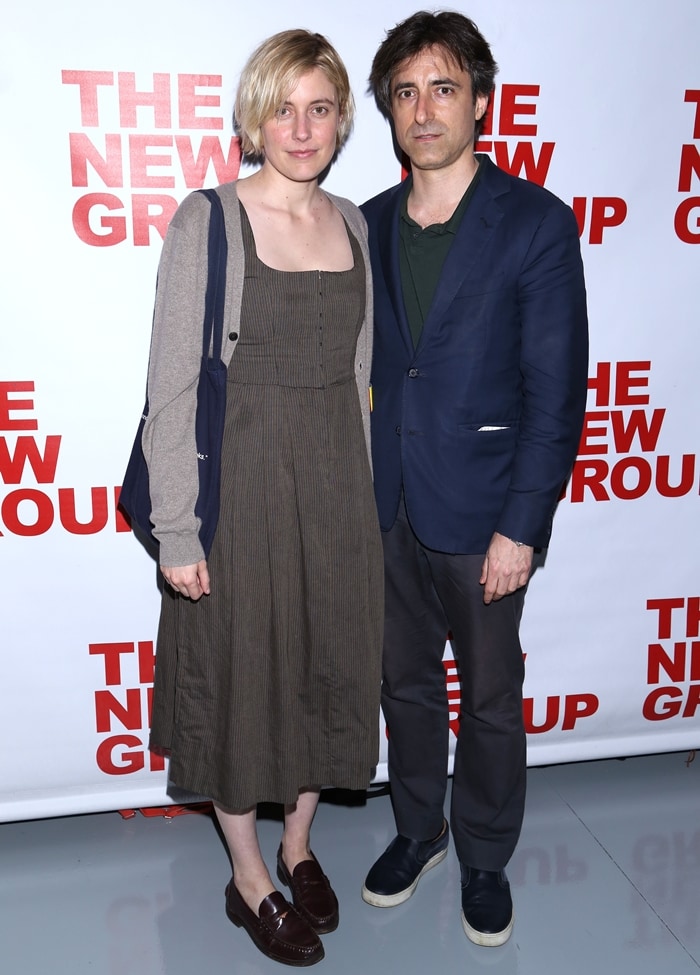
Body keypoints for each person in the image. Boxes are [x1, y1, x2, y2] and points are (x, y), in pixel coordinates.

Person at [141, 29, 383, 967]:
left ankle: (298, 844)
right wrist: (176, 528)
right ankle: (249, 878)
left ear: (340, 120)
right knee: (242, 675)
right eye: (284, 106)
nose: (302, 126)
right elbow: (168, 388)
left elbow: (359, 373)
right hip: (236, 487)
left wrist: (358, 495)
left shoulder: (356, 223)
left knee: (329, 662)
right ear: (255, 114)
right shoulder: (208, 220)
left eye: (321, 107)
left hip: (333, 481)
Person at [360, 10, 588, 947]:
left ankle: (485, 851)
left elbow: (555, 389)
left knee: (489, 692)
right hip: (384, 507)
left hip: (485, 510)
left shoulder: (534, 222)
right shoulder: (363, 222)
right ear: (389, 110)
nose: (424, 108)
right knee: (404, 684)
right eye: (406, 91)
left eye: (443, 88)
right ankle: (420, 830)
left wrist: (521, 525)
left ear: (481, 103)